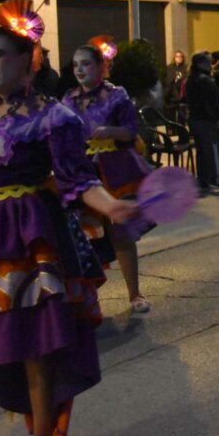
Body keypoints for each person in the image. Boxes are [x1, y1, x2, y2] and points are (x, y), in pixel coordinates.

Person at [0, 0, 137, 436]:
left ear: (26, 60)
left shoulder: (54, 117)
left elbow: (78, 180)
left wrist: (111, 206)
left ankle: (45, 433)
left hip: (27, 237)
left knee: (36, 346)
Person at [63, 37, 154, 314]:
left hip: (115, 169)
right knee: (85, 236)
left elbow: (131, 130)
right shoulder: (68, 99)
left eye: (86, 64)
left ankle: (135, 293)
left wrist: (110, 131)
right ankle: (89, 299)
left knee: (121, 232)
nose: (79, 70)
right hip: (83, 170)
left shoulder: (117, 95)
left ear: (101, 66)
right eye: (76, 65)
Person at [185, 51, 219, 194]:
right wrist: (218, 117)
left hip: (196, 119)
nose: (211, 65)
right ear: (201, 64)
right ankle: (217, 178)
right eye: (208, 62)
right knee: (214, 149)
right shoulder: (204, 81)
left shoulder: (191, 79)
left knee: (202, 151)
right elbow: (212, 101)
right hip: (206, 120)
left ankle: (203, 180)